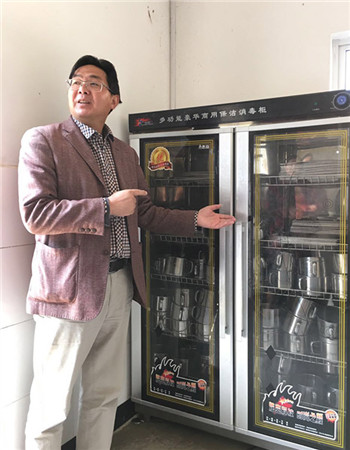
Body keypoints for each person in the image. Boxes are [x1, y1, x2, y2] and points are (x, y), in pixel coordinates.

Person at [18, 55, 236, 450]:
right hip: (67, 292)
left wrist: (195, 220)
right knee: (51, 405)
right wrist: (104, 207)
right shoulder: (44, 139)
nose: (82, 88)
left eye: (95, 83)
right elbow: (36, 214)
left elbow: (145, 212)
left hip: (119, 284)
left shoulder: (125, 153)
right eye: (76, 80)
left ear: (114, 99)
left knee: (103, 396)